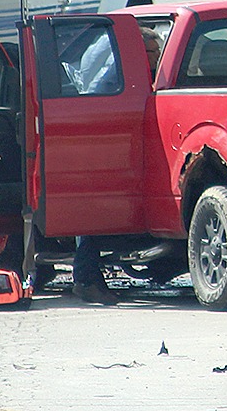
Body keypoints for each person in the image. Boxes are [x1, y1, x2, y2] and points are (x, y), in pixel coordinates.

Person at [69, 27, 164, 306]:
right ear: (140, 53)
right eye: (153, 52)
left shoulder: (133, 73)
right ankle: (86, 280)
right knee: (95, 218)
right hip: (104, 154)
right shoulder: (115, 78)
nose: (158, 57)